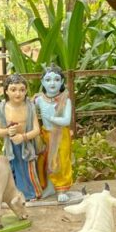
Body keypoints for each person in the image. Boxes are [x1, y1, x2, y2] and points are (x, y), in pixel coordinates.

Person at [0, 73, 42, 201]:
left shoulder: (30, 107)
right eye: (13, 90)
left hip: (26, 146)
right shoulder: (2, 107)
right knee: (11, 170)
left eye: (22, 90)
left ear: (26, 91)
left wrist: (23, 137)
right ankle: (12, 194)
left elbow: (37, 130)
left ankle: (29, 194)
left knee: (26, 171)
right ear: (6, 91)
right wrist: (7, 131)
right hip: (10, 146)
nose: (18, 94)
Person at [33, 65, 76, 203]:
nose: (52, 83)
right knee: (43, 161)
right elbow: (28, 112)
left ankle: (61, 188)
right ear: (42, 82)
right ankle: (48, 186)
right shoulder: (39, 100)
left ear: (62, 82)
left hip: (60, 135)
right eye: (48, 79)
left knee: (61, 161)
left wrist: (51, 117)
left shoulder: (65, 100)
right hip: (45, 134)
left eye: (57, 79)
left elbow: (66, 120)